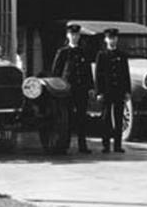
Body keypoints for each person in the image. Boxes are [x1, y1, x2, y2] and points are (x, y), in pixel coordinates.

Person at [51, 23, 93, 154]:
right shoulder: (62, 52)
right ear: (67, 35)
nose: (74, 37)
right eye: (72, 34)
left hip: (82, 88)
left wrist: (91, 87)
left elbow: (88, 71)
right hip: (67, 89)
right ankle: (65, 145)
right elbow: (56, 72)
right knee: (66, 118)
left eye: (77, 35)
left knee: (81, 117)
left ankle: (82, 145)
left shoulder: (84, 51)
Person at [94, 27, 131, 153]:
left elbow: (126, 74)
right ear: (105, 39)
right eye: (110, 38)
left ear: (117, 39)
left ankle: (117, 145)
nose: (112, 40)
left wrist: (127, 91)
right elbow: (98, 75)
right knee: (106, 118)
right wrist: (99, 92)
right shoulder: (102, 55)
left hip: (119, 90)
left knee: (118, 118)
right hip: (106, 91)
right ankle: (105, 145)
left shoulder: (122, 55)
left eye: (114, 38)